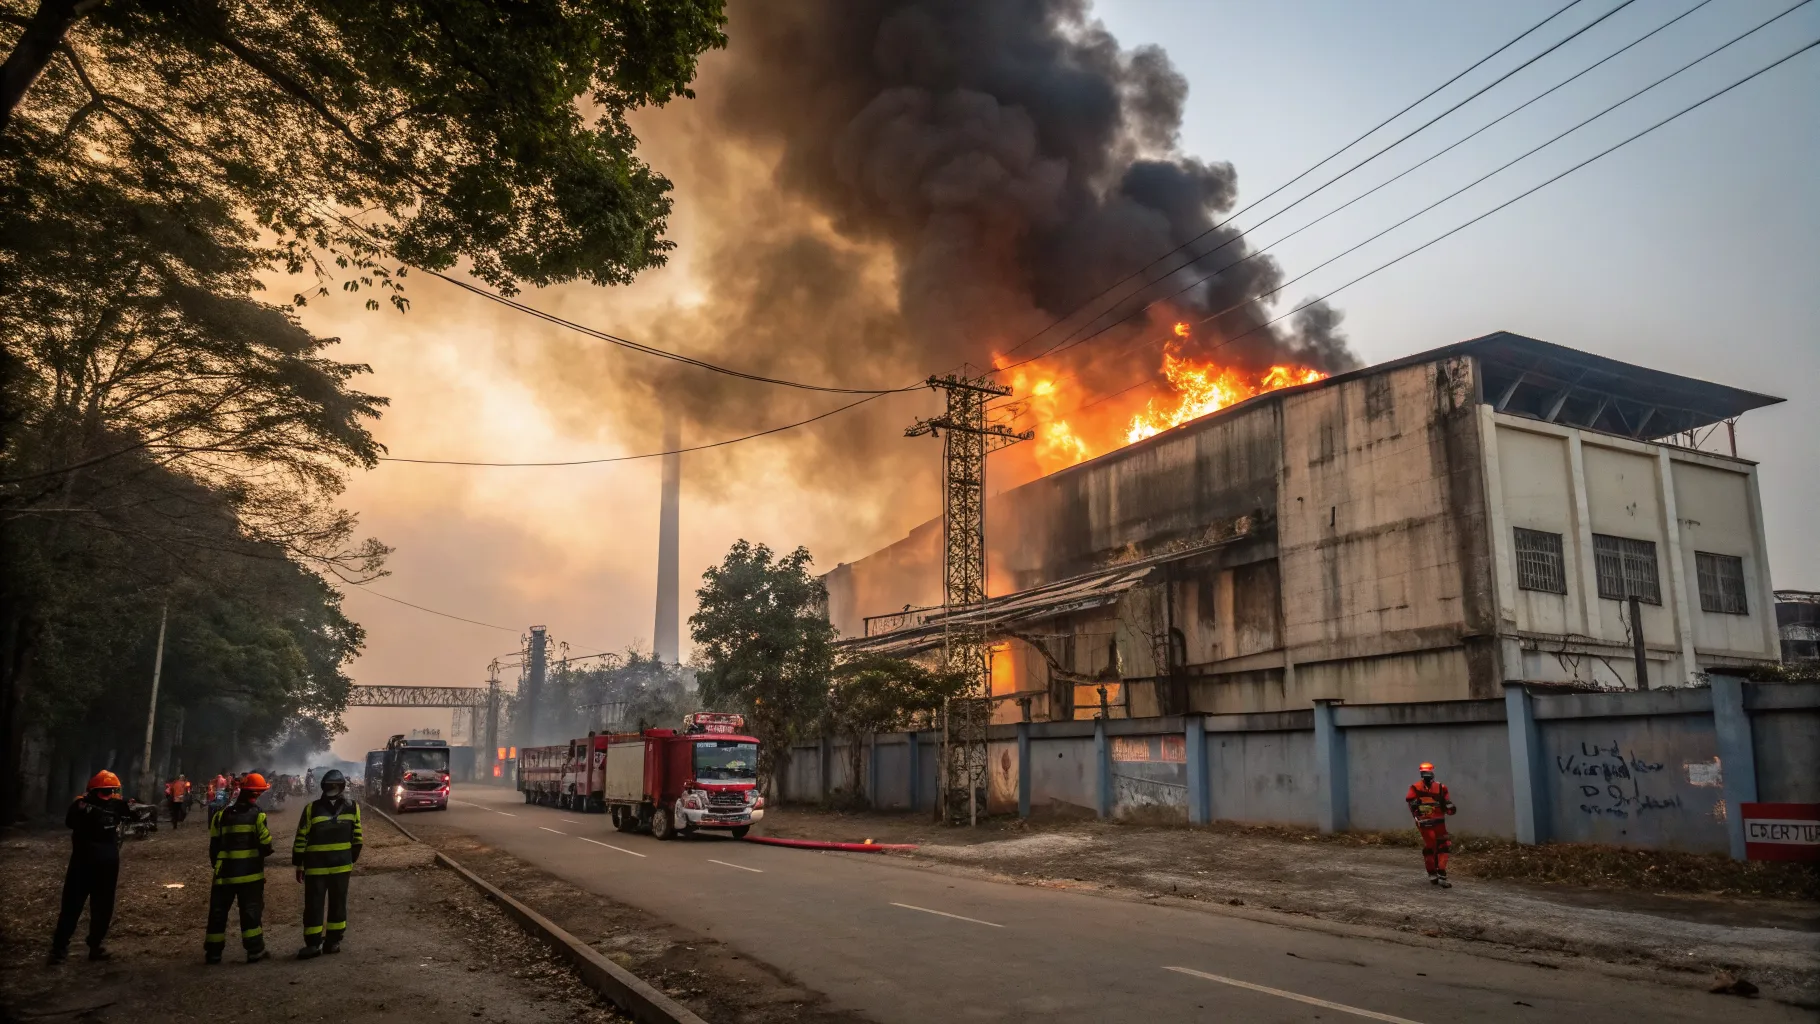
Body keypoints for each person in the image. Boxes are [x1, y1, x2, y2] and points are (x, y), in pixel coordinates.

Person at [49, 771, 131, 964]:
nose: (108, 795)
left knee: (103, 907)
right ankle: (59, 947)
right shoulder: (80, 806)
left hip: (106, 864)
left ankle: (95, 945)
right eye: (104, 792)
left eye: (111, 791)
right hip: (83, 862)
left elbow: (131, 813)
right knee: (72, 905)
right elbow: (71, 822)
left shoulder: (116, 805)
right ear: (92, 792)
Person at [204, 773, 275, 964]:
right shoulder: (258, 815)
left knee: (218, 913)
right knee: (251, 912)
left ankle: (213, 953)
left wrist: (219, 866)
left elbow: (214, 847)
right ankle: (255, 950)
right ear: (257, 794)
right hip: (250, 875)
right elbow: (266, 845)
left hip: (223, 875)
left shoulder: (221, 815)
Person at [292, 768, 362, 959]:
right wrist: (349, 859)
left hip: (316, 867)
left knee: (314, 904)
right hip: (342, 866)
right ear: (342, 787)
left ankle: (313, 945)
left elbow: (301, 839)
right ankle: (333, 942)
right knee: (338, 903)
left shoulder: (311, 809)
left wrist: (299, 864)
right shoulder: (352, 807)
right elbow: (358, 839)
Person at [1405, 761, 1458, 887]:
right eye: (1425, 772)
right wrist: (1417, 812)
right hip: (1425, 822)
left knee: (1443, 845)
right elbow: (1411, 803)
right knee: (1432, 846)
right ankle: (1433, 872)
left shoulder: (1441, 788)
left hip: (1438, 821)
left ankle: (1441, 871)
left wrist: (1450, 808)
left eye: (1428, 772)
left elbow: (1447, 804)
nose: (1427, 775)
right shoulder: (1415, 787)